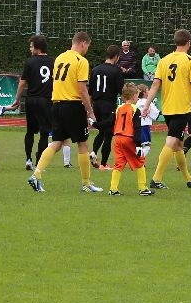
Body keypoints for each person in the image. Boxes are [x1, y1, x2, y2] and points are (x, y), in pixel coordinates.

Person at [28, 31, 102, 194]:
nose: (87, 49)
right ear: (83, 43)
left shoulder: (59, 58)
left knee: (57, 142)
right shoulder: (81, 61)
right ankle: (86, 183)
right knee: (82, 143)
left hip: (56, 105)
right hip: (73, 105)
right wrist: (90, 111)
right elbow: (82, 90)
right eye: (87, 46)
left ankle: (36, 174)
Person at [144, 29, 191, 190]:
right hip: (182, 108)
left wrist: (146, 105)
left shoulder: (164, 60)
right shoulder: (190, 61)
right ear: (188, 43)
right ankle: (156, 178)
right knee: (171, 141)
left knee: (179, 144)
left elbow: (155, 85)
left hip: (167, 107)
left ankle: (188, 178)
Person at [13, 34, 53, 171]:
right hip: (46, 101)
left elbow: (22, 83)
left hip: (31, 100)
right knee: (44, 132)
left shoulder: (30, 62)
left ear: (37, 47)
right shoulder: (53, 61)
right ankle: (39, 162)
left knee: (30, 131)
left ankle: (28, 159)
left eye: (31, 46)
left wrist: (17, 99)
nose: (30, 49)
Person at [108, 83, 155, 197]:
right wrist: (139, 145)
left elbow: (109, 122)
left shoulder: (119, 108)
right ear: (134, 96)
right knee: (140, 161)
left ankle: (113, 189)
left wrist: (95, 124)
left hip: (117, 139)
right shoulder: (135, 109)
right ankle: (142, 188)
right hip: (128, 138)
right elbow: (137, 128)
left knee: (119, 163)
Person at [89, 44, 125, 170]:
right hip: (108, 104)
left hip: (96, 104)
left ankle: (93, 152)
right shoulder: (116, 71)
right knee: (109, 134)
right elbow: (122, 91)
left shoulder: (95, 70)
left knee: (101, 131)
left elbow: (90, 92)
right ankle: (104, 164)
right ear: (116, 56)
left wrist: (89, 109)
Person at [135, 85, 158, 157]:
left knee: (138, 145)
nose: (149, 92)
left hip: (136, 126)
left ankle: (137, 160)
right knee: (146, 146)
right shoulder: (148, 102)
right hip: (144, 126)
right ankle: (138, 159)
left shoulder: (137, 103)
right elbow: (155, 113)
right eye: (148, 90)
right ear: (144, 92)